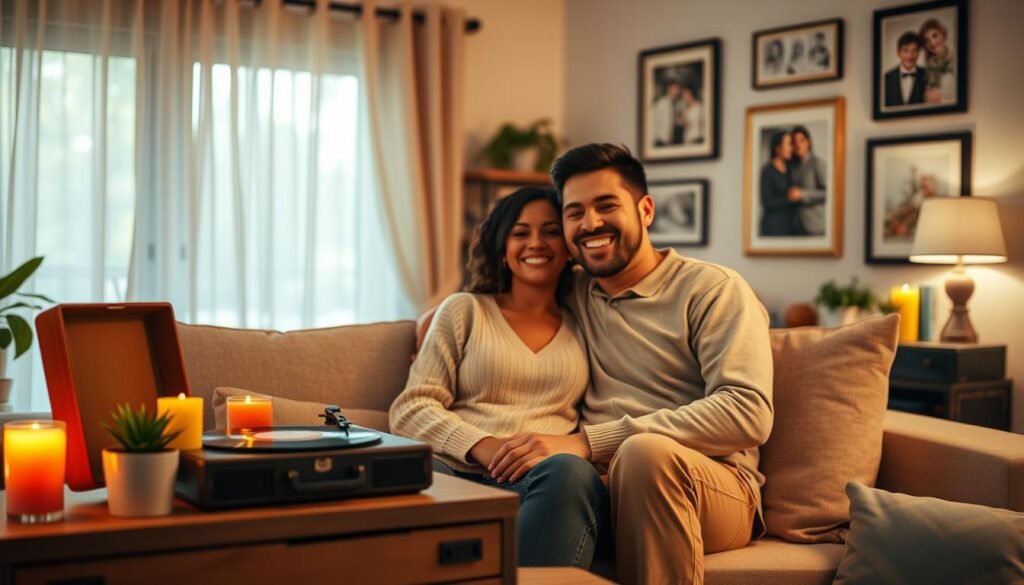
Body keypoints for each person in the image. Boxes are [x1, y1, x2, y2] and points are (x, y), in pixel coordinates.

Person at [485, 144, 774, 585]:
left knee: (642, 454)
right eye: (575, 212)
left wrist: (589, 441)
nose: (591, 224)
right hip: (599, 487)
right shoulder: (575, 290)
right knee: (560, 479)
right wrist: (442, 312)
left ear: (645, 209)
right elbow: (511, 287)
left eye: (606, 205)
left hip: (713, 487)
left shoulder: (712, 289)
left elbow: (748, 412)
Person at [388, 187, 608, 568]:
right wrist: (483, 445)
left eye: (551, 230)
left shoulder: (587, 320)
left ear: (570, 245)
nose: (535, 243)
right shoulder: (464, 311)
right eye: (520, 233)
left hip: (545, 478)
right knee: (409, 475)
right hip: (455, 469)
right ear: (502, 248)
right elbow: (412, 407)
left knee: (573, 473)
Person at [759, 130, 802, 236]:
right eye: (788, 144)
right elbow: (766, 202)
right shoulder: (767, 171)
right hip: (774, 227)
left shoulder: (792, 168)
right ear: (777, 148)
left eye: (792, 145)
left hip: (791, 226)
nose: (791, 148)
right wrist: (789, 199)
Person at [789, 126, 827, 236]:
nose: (798, 145)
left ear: (808, 142)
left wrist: (802, 194)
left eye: (801, 140)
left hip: (814, 227)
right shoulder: (793, 166)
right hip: (796, 227)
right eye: (794, 142)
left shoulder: (818, 163)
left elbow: (829, 193)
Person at [884, 31, 926, 107]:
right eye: (905, 50)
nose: (910, 56)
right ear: (898, 53)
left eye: (914, 50)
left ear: (919, 52)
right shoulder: (886, 78)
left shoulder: (928, 76)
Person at [919, 18, 955, 104]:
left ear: (943, 34)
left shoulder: (956, 59)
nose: (932, 42)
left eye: (935, 36)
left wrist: (942, 98)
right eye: (927, 40)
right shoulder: (927, 67)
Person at [649, 79, 681, 147]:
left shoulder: (676, 104)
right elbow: (654, 122)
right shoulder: (661, 103)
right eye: (676, 88)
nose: (678, 91)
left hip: (671, 141)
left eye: (678, 89)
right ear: (670, 89)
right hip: (661, 140)